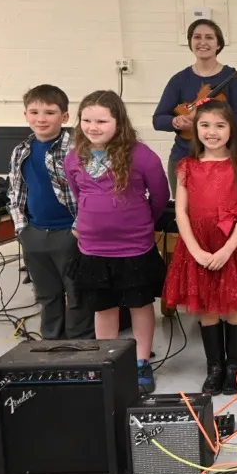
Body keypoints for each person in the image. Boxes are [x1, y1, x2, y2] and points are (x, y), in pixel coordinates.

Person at [162, 102, 237, 396]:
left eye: (219, 125)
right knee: (207, 307)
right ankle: (214, 366)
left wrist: (227, 250)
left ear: (231, 129)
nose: (211, 132)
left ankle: (234, 366)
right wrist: (195, 250)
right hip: (198, 245)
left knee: (234, 305)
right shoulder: (186, 166)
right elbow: (181, 212)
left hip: (232, 244)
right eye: (205, 125)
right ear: (195, 129)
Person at [64, 90, 170, 394]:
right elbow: (78, 194)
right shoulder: (74, 158)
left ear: (118, 122)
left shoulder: (141, 155)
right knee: (104, 306)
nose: (93, 127)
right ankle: (108, 360)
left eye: (101, 121)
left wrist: (140, 222)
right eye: (87, 120)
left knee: (139, 304)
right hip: (93, 248)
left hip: (134, 247)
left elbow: (160, 196)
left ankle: (141, 361)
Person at [8, 84, 91, 340]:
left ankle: (79, 342)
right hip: (34, 233)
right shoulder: (21, 151)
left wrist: (78, 229)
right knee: (46, 293)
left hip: (70, 233)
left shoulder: (79, 149)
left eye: (50, 112)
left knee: (77, 291)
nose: (41, 119)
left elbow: (90, 194)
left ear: (64, 117)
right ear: (25, 115)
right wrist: (22, 229)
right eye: (34, 112)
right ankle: (51, 341)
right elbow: (15, 192)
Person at [153, 19, 237, 192]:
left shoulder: (233, 78)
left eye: (209, 37)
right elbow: (158, 119)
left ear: (218, 44)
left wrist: (203, 125)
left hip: (223, 157)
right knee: (182, 207)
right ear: (190, 42)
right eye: (197, 37)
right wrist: (176, 121)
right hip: (184, 156)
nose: (202, 42)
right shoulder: (179, 79)